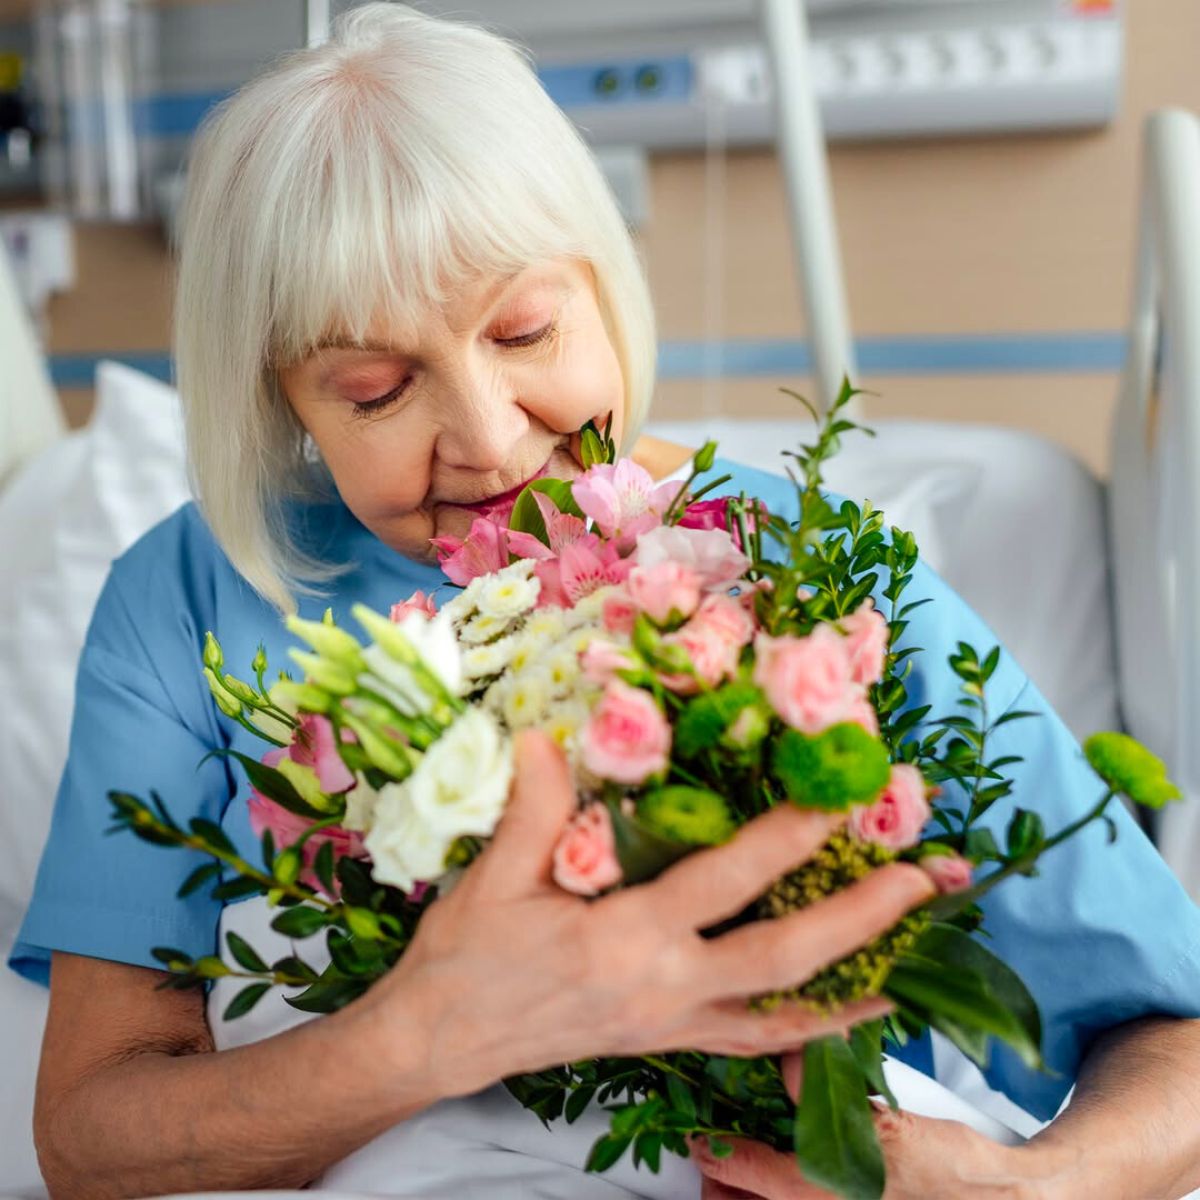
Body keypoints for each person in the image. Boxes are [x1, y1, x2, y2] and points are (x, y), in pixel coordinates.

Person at [9, 6, 1200, 1199]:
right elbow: (91, 1138)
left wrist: (1041, 1188)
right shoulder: (196, 593)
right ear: (281, 401)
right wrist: (432, 1034)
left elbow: (1176, 1038)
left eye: (525, 329)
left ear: (602, 283)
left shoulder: (809, 572)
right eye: (374, 389)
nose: (486, 440)